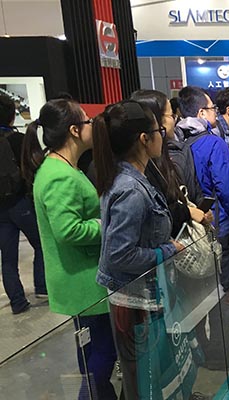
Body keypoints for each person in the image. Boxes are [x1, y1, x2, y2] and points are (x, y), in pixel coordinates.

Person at [20, 98, 117, 399]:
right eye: (87, 121)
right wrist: (107, 225)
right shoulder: (60, 175)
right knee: (101, 354)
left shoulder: (59, 168)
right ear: (75, 130)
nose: (92, 126)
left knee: (92, 353)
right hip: (83, 281)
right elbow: (68, 230)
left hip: (82, 278)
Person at [93, 100, 184, 399]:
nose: (163, 136)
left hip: (142, 299)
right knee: (143, 380)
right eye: (159, 130)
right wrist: (166, 252)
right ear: (144, 139)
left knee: (146, 377)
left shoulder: (131, 179)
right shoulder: (130, 190)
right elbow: (118, 255)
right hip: (134, 304)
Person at [177, 86, 229, 306]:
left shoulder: (177, 143)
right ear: (201, 113)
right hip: (216, 215)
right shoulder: (214, 143)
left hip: (188, 218)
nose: (215, 111)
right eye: (211, 108)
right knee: (222, 254)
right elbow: (228, 187)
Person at [130, 89, 210, 236]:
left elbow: (192, 188)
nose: (174, 120)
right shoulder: (138, 168)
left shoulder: (168, 152)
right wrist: (188, 212)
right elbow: (155, 211)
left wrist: (199, 209)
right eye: (171, 115)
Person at [0, 95, 46, 314]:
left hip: (1, 208)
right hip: (21, 202)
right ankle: (42, 287)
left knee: (8, 259)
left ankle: (17, 302)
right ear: (12, 115)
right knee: (40, 244)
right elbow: (32, 166)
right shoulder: (18, 140)